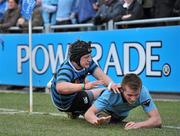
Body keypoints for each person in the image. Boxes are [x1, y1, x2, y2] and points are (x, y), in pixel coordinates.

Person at [50, 40, 120, 118]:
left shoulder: (86, 63)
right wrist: (85, 86)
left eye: (90, 56)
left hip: (74, 96)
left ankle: (76, 111)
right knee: (103, 91)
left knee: (91, 83)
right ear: (77, 58)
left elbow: (101, 75)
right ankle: (94, 113)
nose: (90, 59)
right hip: (64, 103)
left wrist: (112, 84)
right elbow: (60, 87)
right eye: (86, 57)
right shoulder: (66, 69)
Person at [85, 73, 162, 129]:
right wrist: (96, 120)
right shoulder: (110, 94)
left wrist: (138, 125)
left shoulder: (143, 92)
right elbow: (89, 113)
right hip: (103, 110)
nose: (133, 99)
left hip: (120, 116)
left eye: (136, 95)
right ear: (122, 90)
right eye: (130, 95)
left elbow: (157, 120)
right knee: (82, 101)